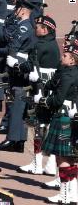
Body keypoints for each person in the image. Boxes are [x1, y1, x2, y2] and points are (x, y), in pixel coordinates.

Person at [0, 0, 36, 152]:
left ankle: (14, 139)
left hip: (18, 67)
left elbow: (13, 47)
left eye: (17, 9)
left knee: (16, 103)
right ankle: (16, 139)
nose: (15, 12)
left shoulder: (24, 27)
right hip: (17, 65)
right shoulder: (22, 25)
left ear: (22, 11)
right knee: (16, 104)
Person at [34, 42, 78, 203]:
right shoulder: (72, 72)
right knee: (71, 159)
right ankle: (73, 195)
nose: (62, 57)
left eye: (65, 55)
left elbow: (58, 99)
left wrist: (43, 100)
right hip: (72, 118)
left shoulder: (68, 75)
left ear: (73, 60)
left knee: (63, 159)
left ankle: (64, 196)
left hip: (64, 118)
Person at [18, 15, 60, 177]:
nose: (36, 28)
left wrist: (18, 65)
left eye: (39, 26)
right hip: (51, 88)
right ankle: (50, 163)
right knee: (48, 126)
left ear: (46, 29)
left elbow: (30, 64)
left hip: (40, 88)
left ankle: (37, 163)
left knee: (38, 126)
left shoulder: (40, 46)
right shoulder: (52, 44)